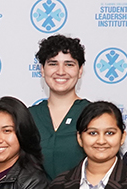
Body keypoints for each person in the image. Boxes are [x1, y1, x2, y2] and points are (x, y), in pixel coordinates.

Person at [29, 34, 89, 180]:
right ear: (42, 70)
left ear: (80, 70)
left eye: (69, 64)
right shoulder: (29, 116)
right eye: (53, 63)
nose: (61, 71)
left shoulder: (93, 115)